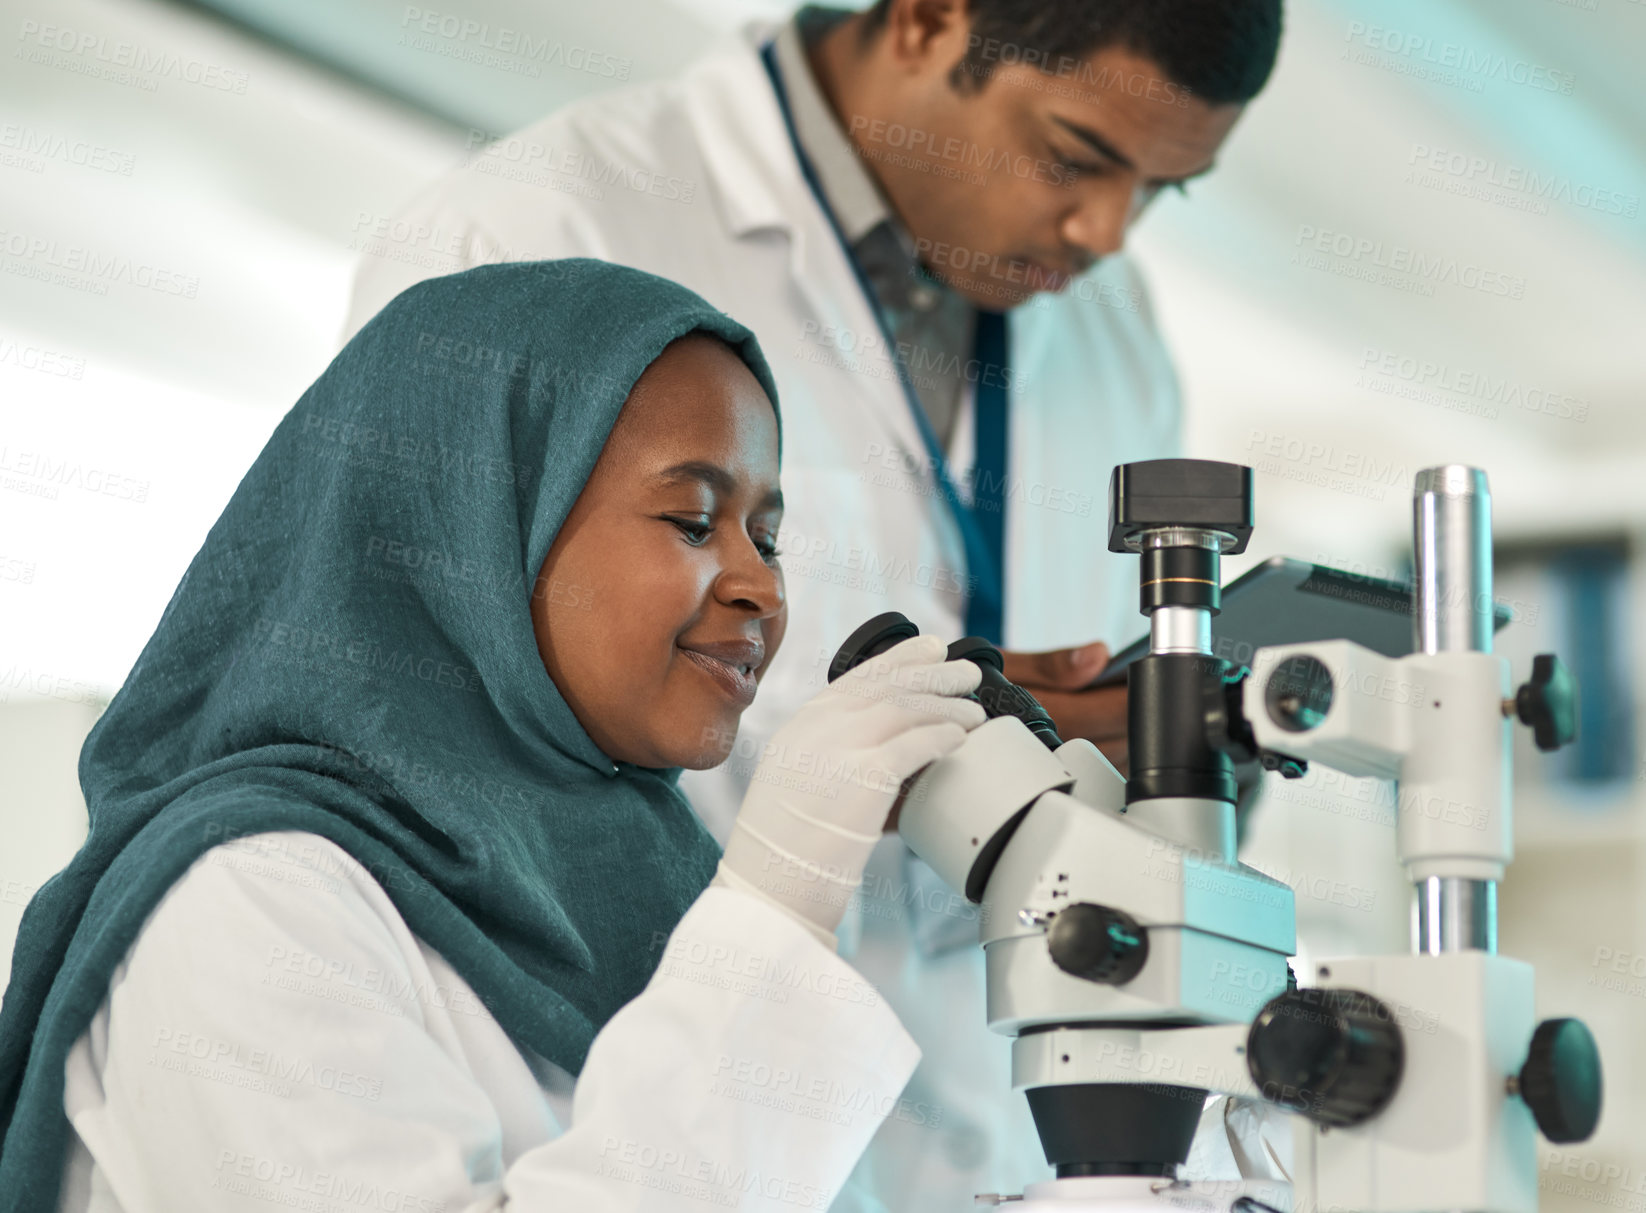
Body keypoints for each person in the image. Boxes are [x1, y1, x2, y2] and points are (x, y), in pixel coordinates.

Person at [344, 2, 1284, 1203]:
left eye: (1164, 189)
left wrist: (1146, 749)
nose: (1105, 232)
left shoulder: (1114, 340)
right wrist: (851, 765)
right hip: (645, 1128)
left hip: (1003, 1136)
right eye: (1076, 156)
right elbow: (436, 740)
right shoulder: (540, 233)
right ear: (926, 20)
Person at [0, 259, 992, 1212]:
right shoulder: (248, 905)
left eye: (766, 536)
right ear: (471, 530)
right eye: (693, 521)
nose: (761, 587)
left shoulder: (647, 885)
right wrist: (775, 912)